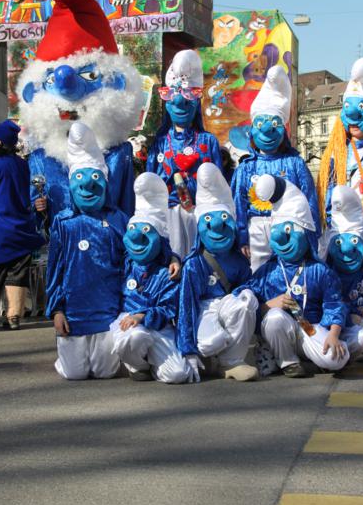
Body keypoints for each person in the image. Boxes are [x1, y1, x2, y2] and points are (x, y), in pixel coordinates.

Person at [17, 0, 142, 223]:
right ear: (32, 93)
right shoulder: (40, 160)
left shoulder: (118, 156)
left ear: (119, 85)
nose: (68, 88)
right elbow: (35, 215)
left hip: (107, 245)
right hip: (60, 246)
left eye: (91, 76)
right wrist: (37, 208)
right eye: (52, 80)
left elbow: (128, 212)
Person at [237, 174, 349, 378]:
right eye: (277, 231)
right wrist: (268, 305)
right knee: (274, 318)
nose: (281, 238)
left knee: (337, 360)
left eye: (289, 230)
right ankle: (288, 361)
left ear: (306, 234)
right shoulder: (267, 271)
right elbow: (244, 300)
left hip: (311, 328)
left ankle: (312, 356)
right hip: (282, 329)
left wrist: (333, 334)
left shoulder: (319, 270)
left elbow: (335, 304)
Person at [46, 121, 127, 380]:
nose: (87, 187)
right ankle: (67, 358)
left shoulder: (118, 219)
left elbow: (133, 263)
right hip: (74, 315)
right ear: (71, 184)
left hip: (108, 312)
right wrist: (56, 310)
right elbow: (55, 269)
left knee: (105, 372)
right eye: (79, 179)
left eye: (95, 179)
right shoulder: (63, 222)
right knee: (75, 374)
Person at [231, 65, 320, 272]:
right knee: (259, 275)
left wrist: (310, 236)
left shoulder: (295, 163)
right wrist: (241, 238)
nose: (267, 130)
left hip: (290, 229)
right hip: (255, 234)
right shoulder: (246, 168)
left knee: (289, 273)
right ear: (252, 129)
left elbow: (310, 201)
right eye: (260, 123)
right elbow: (238, 205)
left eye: (274, 124)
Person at [176, 162, 259, 382]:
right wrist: (188, 350)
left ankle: (232, 362)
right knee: (209, 342)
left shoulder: (238, 259)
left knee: (247, 300)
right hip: (205, 309)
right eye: (208, 220)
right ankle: (210, 357)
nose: (216, 227)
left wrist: (241, 292)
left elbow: (247, 284)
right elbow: (187, 305)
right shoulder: (194, 264)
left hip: (227, 303)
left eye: (224, 220)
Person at [112, 172, 190, 383]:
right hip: (128, 322)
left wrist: (143, 316)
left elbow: (169, 308)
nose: (136, 236)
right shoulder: (125, 263)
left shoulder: (168, 272)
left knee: (178, 374)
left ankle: (155, 360)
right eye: (133, 229)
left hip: (158, 325)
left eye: (146, 230)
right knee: (134, 337)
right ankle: (139, 365)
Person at [147, 49, 223, 259]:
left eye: (188, 97)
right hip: (168, 217)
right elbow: (150, 184)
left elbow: (219, 186)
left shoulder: (208, 141)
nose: (180, 103)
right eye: (173, 96)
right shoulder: (159, 143)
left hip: (200, 216)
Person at [0, 119, 44, 331]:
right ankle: (13, 316)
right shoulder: (21, 165)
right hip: (20, 230)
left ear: (0, 143)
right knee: (16, 275)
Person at [317, 57, 363, 264]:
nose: (353, 118)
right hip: (342, 236)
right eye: (348, 107)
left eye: (361, 108)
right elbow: (327, 195)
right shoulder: (335, 154)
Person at [324, 185, 363, 357]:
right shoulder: (325, 274)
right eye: (338, 242)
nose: (346, 249)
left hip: (361, 323)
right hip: (330, 328)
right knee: (361, 338)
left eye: (354, 241)